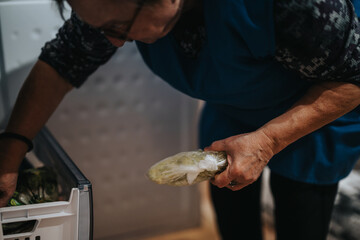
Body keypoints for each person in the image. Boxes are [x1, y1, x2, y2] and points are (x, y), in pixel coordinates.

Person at [0, 0, 359, 239]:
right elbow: (62, 62)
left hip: (315, 110)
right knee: (233, 220)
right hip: (232, 110)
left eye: (120, 27)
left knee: (301, 219)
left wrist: (267, 141)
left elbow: (354, 75)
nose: (114, 41)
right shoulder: (111, 6)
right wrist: (12, 148)